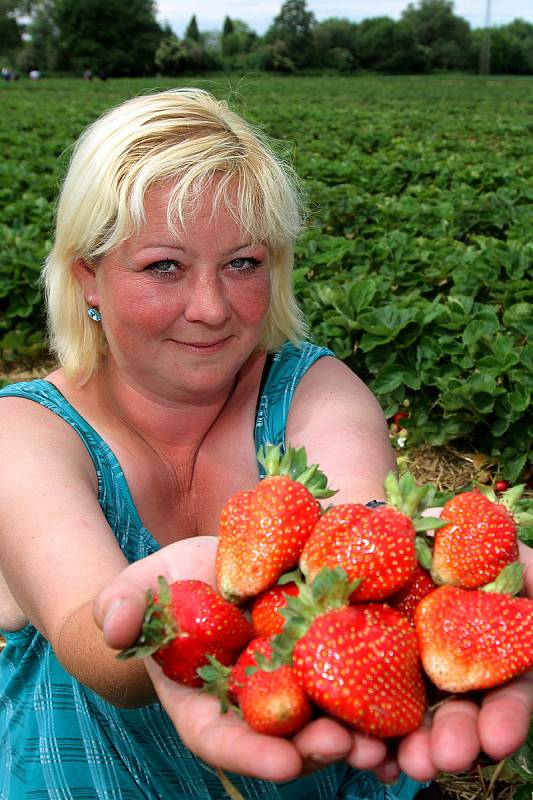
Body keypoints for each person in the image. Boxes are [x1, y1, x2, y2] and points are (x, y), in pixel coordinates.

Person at [0, 88, 531, 799]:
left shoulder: (313, 390)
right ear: (87, 276)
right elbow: (85, 630)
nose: (212, 306)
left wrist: (448, 580)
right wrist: (188, 598)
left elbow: (354, 547)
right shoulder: (25, 431)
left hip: (326, 763)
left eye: (243, 263)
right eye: (164, 266)